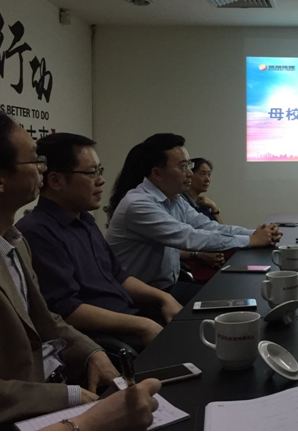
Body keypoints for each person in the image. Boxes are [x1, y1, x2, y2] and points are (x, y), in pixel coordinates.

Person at [0, 112, 160, 428]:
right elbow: (66, 309)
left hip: (62, 379)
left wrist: (91, 352)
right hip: (36, 405)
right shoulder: (36, 231)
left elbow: (47, 320)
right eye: (34, 161)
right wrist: (71, 397)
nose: (42, 169)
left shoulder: (15, 242)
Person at [16, 134, 183, 352]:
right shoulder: (38, 232)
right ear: (56, 181)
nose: (101, 180)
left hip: (131, 318)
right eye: (91, 173)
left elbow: (119, 275)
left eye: (99, 170)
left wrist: (163, 297)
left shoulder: (84, 220)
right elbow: (67, 310)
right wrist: (142, 325)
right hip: (107, 340)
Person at [106, 133, 281, 304]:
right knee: (231, 301)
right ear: (157, 173)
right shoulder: (138, 204)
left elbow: (208, 226)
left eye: (189, 165)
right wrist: (251, 240)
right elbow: (190, 237)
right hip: (138, 298)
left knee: (236, 296)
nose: (190, 173)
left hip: (167, 287)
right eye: (183, 166)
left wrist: (255, 234)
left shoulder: (175, 199)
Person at [183, 158, 223, 223]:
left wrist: (214, 208)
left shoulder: (204, 204)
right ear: (189, 174)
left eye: (209, 175)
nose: (207, 179)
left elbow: (221, 228)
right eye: (202, 174)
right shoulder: (181, 201)